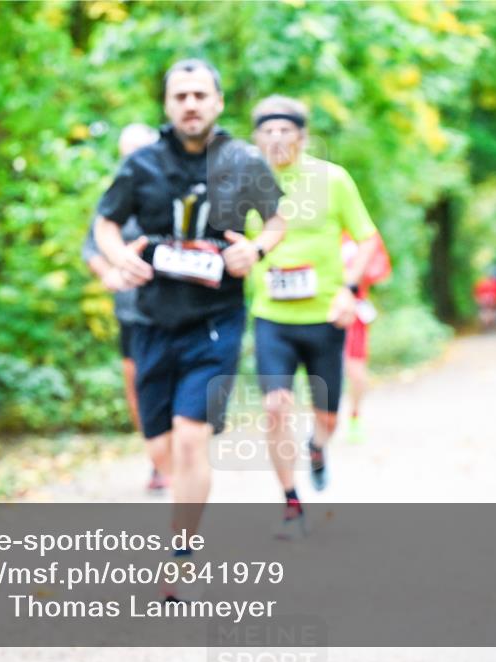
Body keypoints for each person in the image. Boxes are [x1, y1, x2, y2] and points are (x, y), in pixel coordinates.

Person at [94, 59, 284, 599]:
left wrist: (256, 248)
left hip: (215, 323)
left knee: (192, 440)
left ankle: (180, 553)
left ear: (219, 103)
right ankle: (180, 504)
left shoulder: (243, 161)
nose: (191, 104)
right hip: (153, 321)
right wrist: (117, 260)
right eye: (181, 96)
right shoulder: (143, 164)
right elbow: (105, 222)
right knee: (161, 447)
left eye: (201, 95)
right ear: (168, 105)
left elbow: (276, 220)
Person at [246, 95, 380, 533]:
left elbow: (366, 239)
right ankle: (290, 503)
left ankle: (318, 446)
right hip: (272, 317)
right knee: (274, 408)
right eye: (268, 130)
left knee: (328, 417)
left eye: (286, 130)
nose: (277, 138)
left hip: (326, 315)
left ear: (303, 137)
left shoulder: (333, 179)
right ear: (256, 138)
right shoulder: (244, 183)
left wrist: (348, 290)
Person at [81, 123, 167, 493]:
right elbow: (91, 249)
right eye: (127, 152)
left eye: (140, 151)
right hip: (131, 310)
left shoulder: (172, 191)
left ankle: (178, 448)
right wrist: (110, 272)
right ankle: (157, 460)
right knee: (138, 386)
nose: (133, 159)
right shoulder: (113, 198)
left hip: (173, 308)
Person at [342, 230, 392, 444]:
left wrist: (356, 273)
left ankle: (354, 415)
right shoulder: (321, 229)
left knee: (357, 374)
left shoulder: (363, 234)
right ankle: (324, 419)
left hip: (355, 314)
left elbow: (380, 270)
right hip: (320, 311)